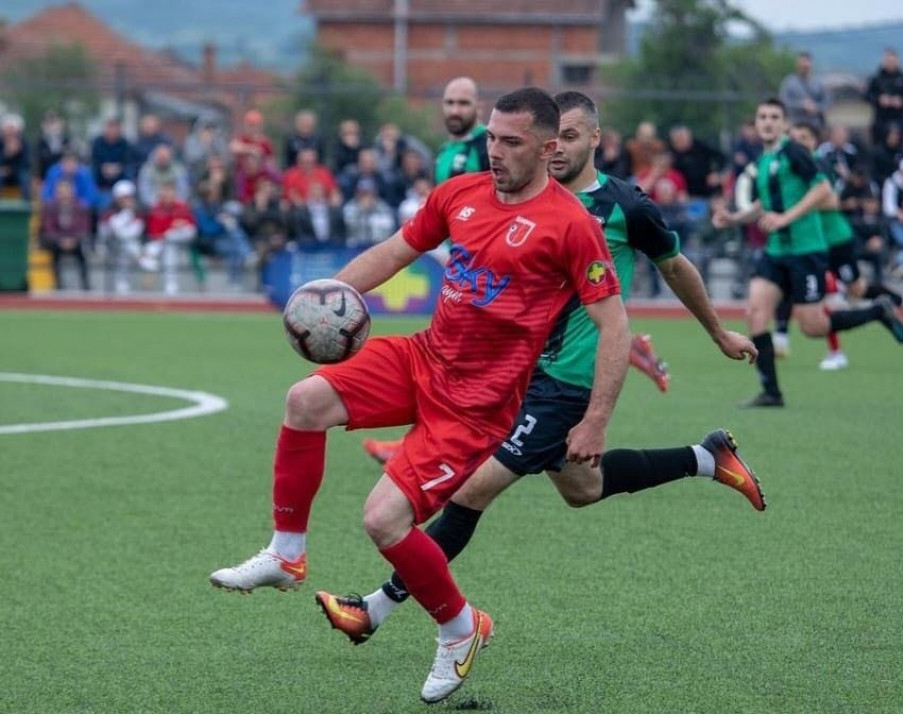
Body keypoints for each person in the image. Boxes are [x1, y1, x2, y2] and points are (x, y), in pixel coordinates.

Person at [208, 87, 631, 703]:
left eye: (511, 142)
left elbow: (615, 326)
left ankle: (460, 628)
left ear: (547, 149)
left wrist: (595, 420)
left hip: (477, 404)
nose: (495, 151)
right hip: (423, 357)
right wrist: (325, 299)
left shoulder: (572, 225)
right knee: (304, 401)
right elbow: (396, 251)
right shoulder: (459, 193)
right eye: (491, 138)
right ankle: (286, 553)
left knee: (383, 520)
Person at [319, 90, 764, 652]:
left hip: (564, 382)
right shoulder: (512, 200)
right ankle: (706, 457)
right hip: (515, 372)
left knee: (471, 491)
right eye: (553, 140)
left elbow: (674, 268)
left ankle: (375, 609)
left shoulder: (624, 207)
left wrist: (718, 332)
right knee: (583, 487)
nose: (558, 151)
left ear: (593, 139)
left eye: (571, 138)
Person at [712, 98, 903, 407]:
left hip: (806, 250)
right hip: (776, 251)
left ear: (784, 124)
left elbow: (823, 190)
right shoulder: (763, 160)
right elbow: (766, 204)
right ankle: (771, 393)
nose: (767, 122)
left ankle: (877, 311)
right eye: (763, 117)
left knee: (812, 326)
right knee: (756, 312)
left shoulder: (794, 151)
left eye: (774, 117)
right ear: (756, 123)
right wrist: (734, 218)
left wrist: (784, 219)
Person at [776, 123, 903, 371]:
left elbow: (833, 201)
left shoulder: (819, 164)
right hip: (814, 242)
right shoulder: (792, 165)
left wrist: (795, 207)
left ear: (814, 141)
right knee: (843, 291)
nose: (798, 142)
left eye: (804, 137)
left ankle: (833, 349)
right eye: (794, 138)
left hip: (834, 240)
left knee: (847, 292)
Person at [434, 76, 490, 183]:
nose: (455, 111)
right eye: (449, 103)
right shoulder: (443, 150)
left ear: (479, 107)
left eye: (463, 103)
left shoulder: (489, 145)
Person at [40, 179, 92, 290]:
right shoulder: (50, 207)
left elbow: (84, 227)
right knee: (53, 250)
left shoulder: (80, 206)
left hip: (76, 241)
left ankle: (85, 285)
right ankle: (58, 284)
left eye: (66, 191)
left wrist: (73, 240)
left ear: (72, 192)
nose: (64, 194)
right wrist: (61, 240)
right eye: (61, 191)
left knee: (83, 249)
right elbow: (48, 227)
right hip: (57, 241)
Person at [98, 180, 146, 294]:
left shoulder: (138, 212)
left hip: (130, 243)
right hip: (110, 243)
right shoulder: (109, 211)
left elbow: (136, 231)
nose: (126, 201)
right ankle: (141, 260)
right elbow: (107, 230)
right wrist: (126, 215)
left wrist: (128, 213)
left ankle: (123, 283)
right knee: (126, 245)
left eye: (128, 197)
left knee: (127, 246)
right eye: (123, 198)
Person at [865, 49, 903, 146]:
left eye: (893, 61)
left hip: (898, 118)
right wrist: (879, 99)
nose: (890, 64)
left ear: (897, 61)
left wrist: (902, 101)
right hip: (881, 119)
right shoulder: (876, 79)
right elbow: (867, 96)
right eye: (888, 61)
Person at [779, 51, 829, 131]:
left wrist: (816, 107)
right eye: (802, 65)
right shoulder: (789, 82)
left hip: (815, 126)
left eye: (806, 65)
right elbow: (783, 102)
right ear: (797, 65)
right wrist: (801, 105)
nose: (804, 67)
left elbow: (826, 103)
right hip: (795, 125)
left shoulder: (819, 83)